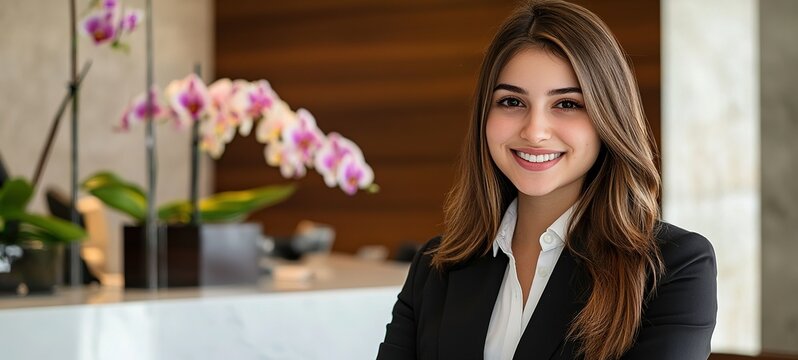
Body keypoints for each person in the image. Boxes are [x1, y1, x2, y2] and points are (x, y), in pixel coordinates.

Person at [376, 1, 717, 359]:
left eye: (567, 104)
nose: (535, 131)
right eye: (511, 101)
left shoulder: (674, 268)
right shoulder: (434, 267)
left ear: (609, 118)